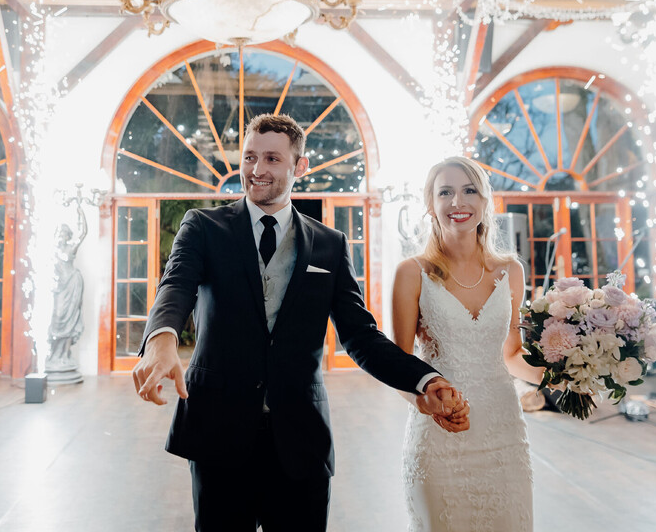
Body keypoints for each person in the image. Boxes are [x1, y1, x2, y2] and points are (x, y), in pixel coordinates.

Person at [132, 114, 470, 532]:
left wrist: (424, 379)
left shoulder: (330, 245)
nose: (257, 169)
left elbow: (360, 336)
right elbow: (175, 284)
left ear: (300, 166)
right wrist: (161, 338)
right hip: (218, 432)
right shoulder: (203, 227)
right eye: (250, 157)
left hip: (301, 439)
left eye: (272, 158)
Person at [392, 156, 545, 532]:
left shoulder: (511, 271)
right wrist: (427, 403)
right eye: (445, 192)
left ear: (485, 201)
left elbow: (511, 355)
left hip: (503, 435)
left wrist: (560, 376)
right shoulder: (412, 273)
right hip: (440, 433)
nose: (457, 202)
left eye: (469, 191)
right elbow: (397, 366)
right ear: (431, 204)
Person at [46, 202, 87, 371]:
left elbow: (83, 233)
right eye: (59, 233)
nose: (61, 236)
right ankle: (54, 355)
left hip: (73, 283)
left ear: (68, 236)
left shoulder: (71, 248)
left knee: (72, 319)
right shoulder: (52, 250)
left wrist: (81, 213)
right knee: (57, 318)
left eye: (64, 234)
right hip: (60, 288)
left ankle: (65, 355)